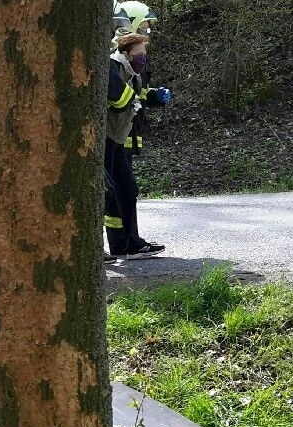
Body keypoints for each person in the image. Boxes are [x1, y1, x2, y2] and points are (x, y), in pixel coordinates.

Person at [105, 33, 165, 258]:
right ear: (127, 52)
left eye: (144, 54)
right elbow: (120, 100)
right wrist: (134, 98)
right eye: (140, 53)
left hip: (118, 139)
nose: (143, 58)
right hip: (106, 140)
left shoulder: (134, 74)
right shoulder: (113, 67)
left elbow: (137, 96)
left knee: (128, 189)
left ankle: (131, 243)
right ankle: (117, 244)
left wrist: (155, 97)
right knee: (108, 194)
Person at [117, 1, 172, 156]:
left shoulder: (139, 59)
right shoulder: (119, 61)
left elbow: (139, 93)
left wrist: (156, 96)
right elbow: (120, 96)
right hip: (117, 135)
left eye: (148, 29)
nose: (147, 33)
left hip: (130, 133)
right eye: (143, 28)